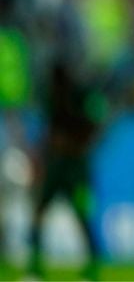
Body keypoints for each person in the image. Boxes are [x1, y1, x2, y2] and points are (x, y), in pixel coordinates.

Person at [27, 58, 104, 281]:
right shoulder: (54, 99)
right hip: (58, 165)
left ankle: (91, 265)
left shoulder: (77, 97)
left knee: (80, 215)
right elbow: (49, 135)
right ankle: (35, 265)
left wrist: (76, 144)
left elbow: (94, 123)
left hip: (73, 167)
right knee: (42, 212)